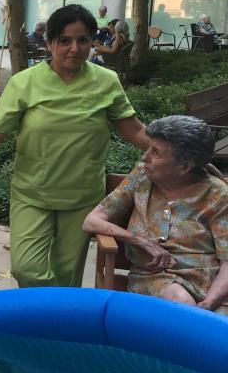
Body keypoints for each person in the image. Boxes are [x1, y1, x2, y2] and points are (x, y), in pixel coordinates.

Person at [0, 4, 150, 288]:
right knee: (26, 269)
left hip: (81, 196)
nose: (74, 48)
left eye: (83, 40)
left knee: (67, 277)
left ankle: (52, 316)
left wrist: (179, 156)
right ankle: (49, 306)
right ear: (49, 43)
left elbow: (134, 130)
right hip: (31, 194)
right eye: (65, 40)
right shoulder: (24, 83)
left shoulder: (106, 81)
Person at [83, 116, 228, 313]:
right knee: (179, 302)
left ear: (184, 166)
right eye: (148, 148)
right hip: (155, 278)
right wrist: (141, 241)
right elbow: (92, 220)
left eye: (156, 152)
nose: (145, 157)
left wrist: (208, 304)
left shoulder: (218, 195)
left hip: (212, 285)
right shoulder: (142, 177)